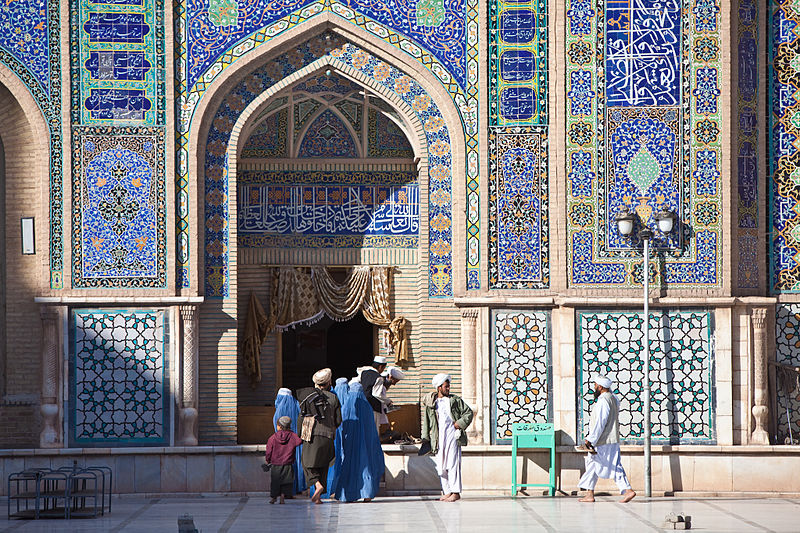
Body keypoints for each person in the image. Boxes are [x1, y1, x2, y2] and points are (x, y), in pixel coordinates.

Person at [577, 375, 636, 503]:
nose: (594, 387)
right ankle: (589, 494)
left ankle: (628, 490)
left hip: (603, 440)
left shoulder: (604, 400)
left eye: (595, 385)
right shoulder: (614, 398)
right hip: (610, 439)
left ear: (600, 387)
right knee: (592, 465)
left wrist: (590, 439)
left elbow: (600, 422)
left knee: (613, 465)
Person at [421, 373, 473, 502]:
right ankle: (447, 491)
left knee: (453, 463)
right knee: (441, 465)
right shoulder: (432, 403)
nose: (448, 388)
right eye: (446, 386)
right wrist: (425, 438)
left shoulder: (455, 400)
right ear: (439, 387)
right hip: (438, 438)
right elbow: (427, 422)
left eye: (448, 386)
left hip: (453, 436)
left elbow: (468, 412)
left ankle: (455, 492)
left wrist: (459, 423)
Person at [298, 368, 342, 504]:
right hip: (328, 436)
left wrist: (300, 434)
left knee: (307, 463)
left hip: (312, 435)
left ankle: (317, 485)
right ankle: (319, 498)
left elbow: (301, 417)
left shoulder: (308, 397)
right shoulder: (334, 398)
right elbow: (338, 420)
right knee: (323, 463)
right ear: (329, 382)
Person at [335, 381, 385, 502]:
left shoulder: (347, 405)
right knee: (366, 464)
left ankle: (348, 494)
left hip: (350, 445)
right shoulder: (367, 407)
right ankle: (367, 494)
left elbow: (342, 427)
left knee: (350, 466)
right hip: (366, 445)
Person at [272, 387, 305, 495]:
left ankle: (285, 492)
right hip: (296, 444)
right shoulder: (297, 408)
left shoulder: (278, 413)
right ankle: (299, 486)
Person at [357, 357, 405, 431]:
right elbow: (377, 394)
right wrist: (388, 401)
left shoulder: (364, 373)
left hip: (362, 405)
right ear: (380, 367)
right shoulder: (378, 377)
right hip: (373, 407)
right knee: (373, 431)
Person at [264, 416, 303, 504]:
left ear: (279, 426)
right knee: (287, 481)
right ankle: (282, 497)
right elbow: (299, 441)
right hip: (288, 463)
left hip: (275, 464)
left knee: (275, 481)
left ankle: (274, 497)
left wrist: (268, 459)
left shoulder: (273, 437)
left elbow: (269, 450)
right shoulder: (292, 436)